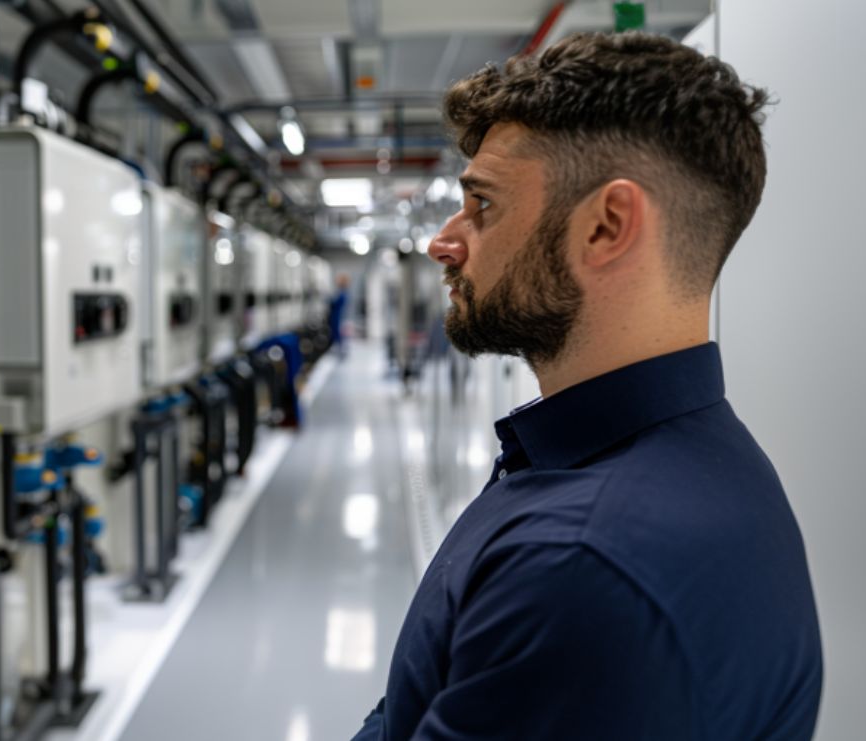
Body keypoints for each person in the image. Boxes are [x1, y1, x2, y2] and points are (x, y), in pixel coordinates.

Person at [352, 32, 821, 740]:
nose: (443, 242)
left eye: (482, 207)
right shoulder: (679, 459)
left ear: (605, 226)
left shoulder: (580, 565)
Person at [328, 273, 351, 357]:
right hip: (338, 316)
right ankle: (341, 349)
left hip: (338, 316)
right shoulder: (343, 293)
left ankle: (340, 350)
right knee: (339, 333)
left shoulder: (342, 294)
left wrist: (329, 300)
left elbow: (334, 303)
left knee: (338, 333)